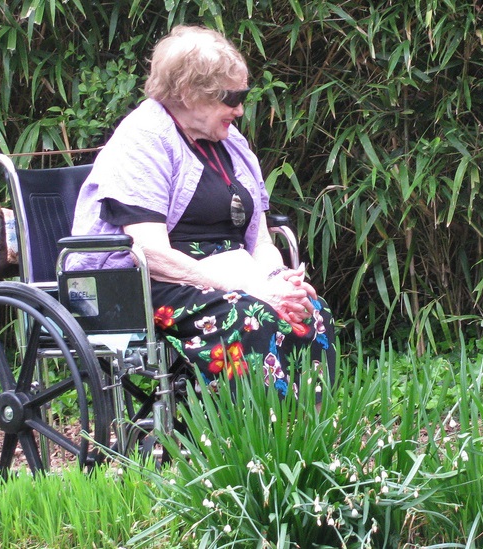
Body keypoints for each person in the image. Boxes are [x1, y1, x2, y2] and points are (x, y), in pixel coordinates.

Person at [68, 25, 334, 397]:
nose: (240, 109)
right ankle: (250, 441)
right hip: (153, 284)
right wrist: (249, 287)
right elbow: (149, 252)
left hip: (234, 276)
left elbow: (259, 236)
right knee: (250, 316)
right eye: (231, 97)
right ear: (189, 93)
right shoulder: (144, 139)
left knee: (310, 310)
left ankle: (307, 436)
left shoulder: (232, 144)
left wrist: (277, 278)